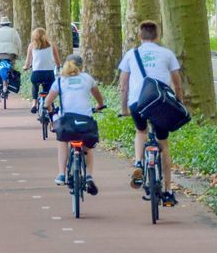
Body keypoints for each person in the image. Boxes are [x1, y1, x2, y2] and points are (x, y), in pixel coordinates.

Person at [118, 19, 183, 208]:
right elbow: (177, 82)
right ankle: (169, 191)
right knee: (163, 144)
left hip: (137, 102)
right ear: (157, 36)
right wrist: (179, 101)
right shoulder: (167, 53)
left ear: (140, 36)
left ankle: (138, 163)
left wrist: (124, 109)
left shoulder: (132, 54)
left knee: (141, 132)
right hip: (161, 102)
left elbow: (124, 85)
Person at [46, 54, 104, 195]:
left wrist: (51, 111)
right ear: (82, 66)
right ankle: (89, 175)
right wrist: (99, 105)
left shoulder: (60, 81)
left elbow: (48, 102)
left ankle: (61, 174)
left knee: (62, 140)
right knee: (88, 147)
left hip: (68, 123)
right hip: (85, 122)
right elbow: (99, 98)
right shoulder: (87, 79)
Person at [22, 27, 60, 113]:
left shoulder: (31, 46)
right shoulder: (52, 45)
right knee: (49, 88)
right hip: (49, 74)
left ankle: (34, 103)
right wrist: (58, 67)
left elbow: (27, 62)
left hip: (36, 74)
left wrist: (25, 67)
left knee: (35, 84)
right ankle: (49, 106)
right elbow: (58, 61)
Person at [0, 17, 22, 103]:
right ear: (9, 24)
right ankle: (8, 83)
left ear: (1, 24)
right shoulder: (13, 31)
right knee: (11, 67)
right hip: (11, 54)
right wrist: (18, 53)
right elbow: (19, 43)